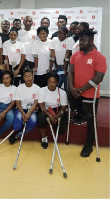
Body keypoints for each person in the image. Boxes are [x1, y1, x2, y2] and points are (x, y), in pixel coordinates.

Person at [68, 29, 107, 157]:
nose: (81, 43)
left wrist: (81, 90)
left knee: (91, 120)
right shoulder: (75, 55)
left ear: (91, 41)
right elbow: (70, 72)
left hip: (90, 95)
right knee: (71, 111)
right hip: (75, 93)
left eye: (84, 40)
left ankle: (89, 145)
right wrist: (72, 88)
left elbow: (98, 78)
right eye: (80, 40)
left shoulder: (99, 57)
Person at [9, 67, 40, 144]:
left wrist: (29, 114)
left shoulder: (37, 88)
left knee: (32, 123)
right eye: (25, 76)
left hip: (32, 110)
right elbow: (18, 103)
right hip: (21, 109)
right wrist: (23, 114)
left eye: (29, 76)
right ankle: (19, 128)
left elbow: (36, 103)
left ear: (33, 77)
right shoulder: (19, 88)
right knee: (17, 126)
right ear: (23, 78)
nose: (28, 78)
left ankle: (18, 135)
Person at [38, 71, 68, 148]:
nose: (51, 84)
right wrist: (49, 115)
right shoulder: (42, 90)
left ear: (57, 82)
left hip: (58, 111)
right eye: (49, 82)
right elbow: (41, 105)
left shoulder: (62, 92)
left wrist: (56, 116)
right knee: (41, 117)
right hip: (46, 110)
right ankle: (44, 138)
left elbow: (63, 108)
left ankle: (54, 123)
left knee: (61, 130)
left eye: (54, 82)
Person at [49, 26, 75, 91]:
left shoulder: (70, 40)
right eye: (58, 33)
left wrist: (65, 70)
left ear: (66, 34)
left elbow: (67, 56)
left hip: (67, 67)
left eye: (61, 33)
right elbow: (53, 55)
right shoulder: (54, 39)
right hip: (57, 67)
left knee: (66, 86)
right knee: (57, 85)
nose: (59, 35)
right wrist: (50, 68)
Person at [18, 16, 37, 83]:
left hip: (31, 60)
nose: (28, 23)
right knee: (21, 80)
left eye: (29, 21)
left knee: (29, 80)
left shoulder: (35, 33)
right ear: (23, 22)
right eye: (26, 21)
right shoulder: (19, 32)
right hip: (20, 60)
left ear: (32, 23)